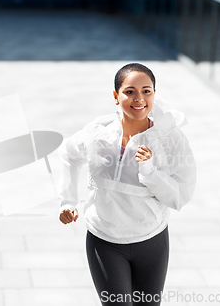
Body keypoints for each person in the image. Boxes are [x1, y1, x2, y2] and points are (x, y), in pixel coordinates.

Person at [57, 63, 197, 305]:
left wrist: (150, 171)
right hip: (105, 241)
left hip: (151, 240)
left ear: (154, 93)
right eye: (130, 91)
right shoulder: (98, 133)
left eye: (147, 91)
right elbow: (68, 154)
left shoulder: (170, 139)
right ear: (115, 96)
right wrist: (68, 201)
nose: (139, 99)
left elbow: (181, 197)